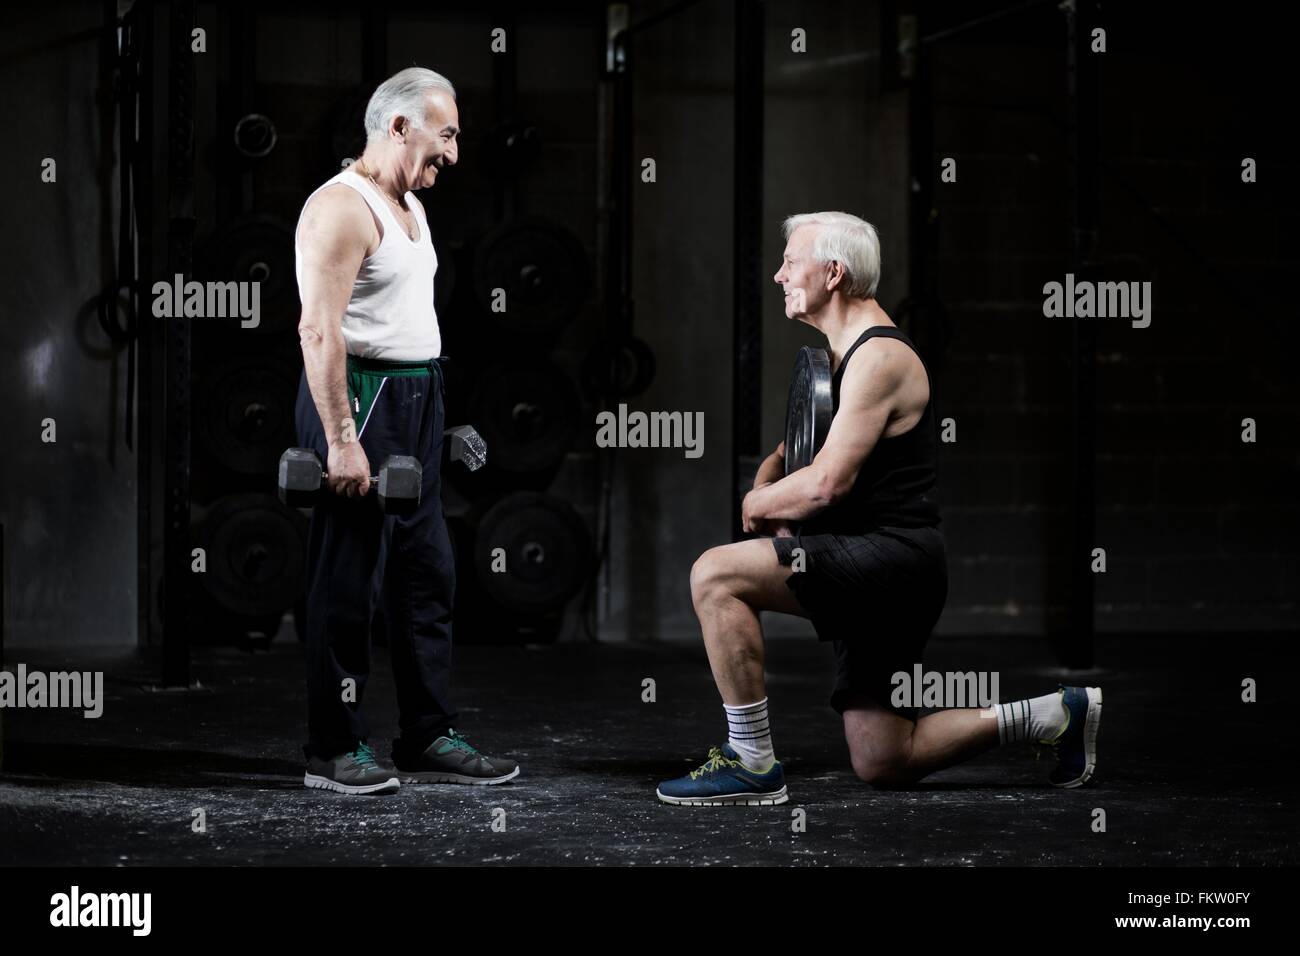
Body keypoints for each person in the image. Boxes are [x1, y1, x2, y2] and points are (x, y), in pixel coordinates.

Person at [657, 211, 1101, 806]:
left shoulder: (879, 359)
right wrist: (767, 492)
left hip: (891, 560)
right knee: (884, 758)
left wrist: (757, 505)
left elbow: (823, 486)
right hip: (873, 559)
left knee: (715, 573)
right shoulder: (838, 357)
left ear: (833, 272)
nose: (777, 275)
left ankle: (751, 760)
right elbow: (794, 456)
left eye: (791, 261)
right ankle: (1055, 715)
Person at [294, 67, 518, 795]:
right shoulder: (341, 208)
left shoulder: (410, 209)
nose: (453, 152)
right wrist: (341, 438)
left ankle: (426, 733)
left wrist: (437, 425)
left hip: (417, 400)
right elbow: (320, 331)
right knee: (348, 581)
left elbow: (400, 325)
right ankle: (335, 748)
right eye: (445, 134)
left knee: (427, 577)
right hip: (359, 399)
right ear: (398, 128)